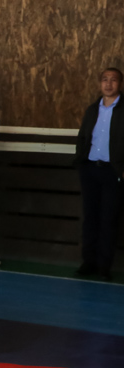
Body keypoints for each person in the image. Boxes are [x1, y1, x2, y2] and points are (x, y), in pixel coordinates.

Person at [74, 67, 123, 282]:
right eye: (105, 79)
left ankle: (104, 266)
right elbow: (83, 136)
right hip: (91, 168)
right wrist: (81, 161)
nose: (108, 84)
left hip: (113, 171)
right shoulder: (93, 109)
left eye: (113, 80)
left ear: (120, 84)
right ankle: (89, 262)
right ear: (100, 83)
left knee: (108, 219)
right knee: (90, 218)